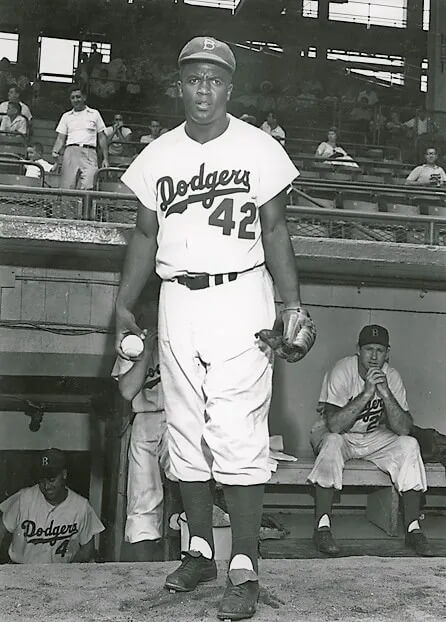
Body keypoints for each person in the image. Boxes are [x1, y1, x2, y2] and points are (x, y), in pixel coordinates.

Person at [115, 36, 309, 621]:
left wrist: (291, 302)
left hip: (240, 291)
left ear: (230, 86)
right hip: (177, 298)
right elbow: (146, 236)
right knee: (183, 426)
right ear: (179, 84)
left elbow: (275, 231)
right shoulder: (158, 155)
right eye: (194, 78)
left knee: (236, 428)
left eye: (215, 79)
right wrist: (125, 304)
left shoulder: (258, 148)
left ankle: (244, 564)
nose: (204, 89)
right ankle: (199, 549)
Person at [308, 325, 431, 558]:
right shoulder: (343, 370)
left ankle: (413, 529)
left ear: (387, 353)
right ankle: (322, 527)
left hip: (373, 436)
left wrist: (385, 392)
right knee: (332, 441)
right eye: (368, 349)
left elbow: (404, 428)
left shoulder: (391, 376)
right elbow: (334, 425)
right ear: (358, 350)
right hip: (339, 434)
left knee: (410, 445)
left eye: (380, 350)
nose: (374, 356)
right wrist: (366, 393)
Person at [112, 292, 177, 562]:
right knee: (143, 499)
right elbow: (127, 391)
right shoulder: (132, 345)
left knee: (187, 480)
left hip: (179, 419)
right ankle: (142, 569)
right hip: (146, 419)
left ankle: (186, 554)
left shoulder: (181, 339)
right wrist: (147, 349)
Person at [0, 448, 104, 564]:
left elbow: (87, 549)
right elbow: (2, 529)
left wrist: (70, 571)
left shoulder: (81, 506)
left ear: (64, 474)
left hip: (62, 573)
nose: (46, 486)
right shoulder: (23, 498)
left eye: (51, 480)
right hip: (22, 570)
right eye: (42, 481)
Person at [51, 84, 109, 189]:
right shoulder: (66, 116)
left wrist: (105, 158)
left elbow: (102, 137)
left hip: (89, 152)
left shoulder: (94, 114)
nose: (75, 100)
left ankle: (85, 206)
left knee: (89, 185)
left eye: (78, 97)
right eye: (72, 98)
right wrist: (55, 150)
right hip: (71, 151)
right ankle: (66, 206)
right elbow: (61, 138)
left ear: (84, 97)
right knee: (67, 186)